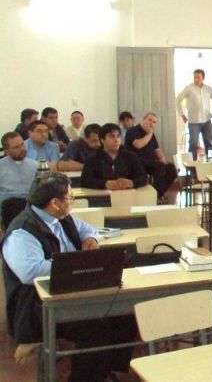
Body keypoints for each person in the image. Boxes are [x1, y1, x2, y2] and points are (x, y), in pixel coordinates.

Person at [1, 172, 137, 381]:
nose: (72, 201)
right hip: (37, 305)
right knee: (97, 327)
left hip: (71, 291)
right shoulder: (22, 232)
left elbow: (88, 229)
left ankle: (103, 371)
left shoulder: (61, 218)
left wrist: (90, 238)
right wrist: (76, 264)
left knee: (124, 313)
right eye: (70, 197)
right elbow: (30, 272)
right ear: (55, 203)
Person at [124, 113, 178, 199]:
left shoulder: (150, 134)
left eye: (154, 122)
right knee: (159, 166)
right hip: (136, 162)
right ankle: (154, 196)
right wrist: (149, 134)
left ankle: (157, 194)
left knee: (171, 169)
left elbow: (157, 150)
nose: (151, 123)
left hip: (150, 162)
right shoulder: (132, 131)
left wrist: (163, 159)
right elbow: (138, 145)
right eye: (150, 120)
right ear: (143, 119)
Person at [81, 123, 149, 190]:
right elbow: (85, 181)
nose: (116, 140)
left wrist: (132, 183)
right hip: (103, 195)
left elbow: (144, 177)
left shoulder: (130, 157)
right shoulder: (93, 159)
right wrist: (105, 184)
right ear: (102, 140)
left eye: (118, 136)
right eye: (112, 136)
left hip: (128, 194)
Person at [176, 69, 212, 160]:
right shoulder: (188, 88)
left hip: (207, 121)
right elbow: (178, 100)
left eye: (198, 77)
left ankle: (210, 160)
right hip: (194, 122)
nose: (196, 79)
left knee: (208, 143)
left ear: (203, 78)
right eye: (195, 77)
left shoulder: (208, 88)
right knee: (193, 144)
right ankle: (192, 164)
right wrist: (182, 114)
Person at [0, 132, 37, 215]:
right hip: (7, 209)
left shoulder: (34, 165)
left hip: (31, 208)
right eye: (16, 147)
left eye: (22, 144)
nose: (22, 149)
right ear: (6, 151)